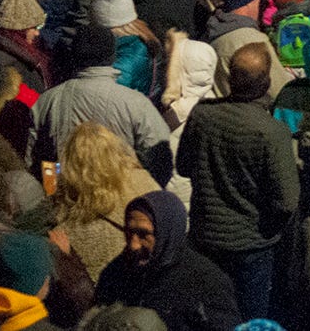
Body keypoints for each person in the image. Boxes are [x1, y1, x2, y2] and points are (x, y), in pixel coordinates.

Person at [176, 40, 300, 320]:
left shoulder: (202, 115)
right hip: (251, 246)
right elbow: (288, 200)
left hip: (204, 237)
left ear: (230, 79)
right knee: (249, 318)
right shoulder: (272, 132)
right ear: (267, 82)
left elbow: (183, 167)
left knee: (210, 317)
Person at [29, 24, 173, 186]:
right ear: (112, 56)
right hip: (119, 202)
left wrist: (52, 191)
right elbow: (161, 159)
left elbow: (39, 158)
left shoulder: (48, 101)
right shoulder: (136, 103)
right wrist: (137, 192)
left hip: (67, 202)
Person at [95, 190, 242, 331]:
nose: (133, 245)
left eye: (143, 234)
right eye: (129, 232)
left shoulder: (206, 282)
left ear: (167, 234)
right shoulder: (116, 273)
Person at [53, 122, 163, 282]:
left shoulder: (65, 206)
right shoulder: (141, 180)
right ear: (114, 150)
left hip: (97, 294)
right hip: (145, 281)